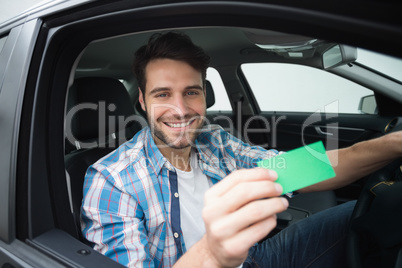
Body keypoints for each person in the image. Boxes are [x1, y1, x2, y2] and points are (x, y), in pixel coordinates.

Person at [81, 32, 402, 268]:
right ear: (142, 101)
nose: (180, 109)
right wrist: (212, 254)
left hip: (255, 259)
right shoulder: (112, 181)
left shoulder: (213, 140)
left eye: (190, 92)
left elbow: (300, 169)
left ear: (205, 95)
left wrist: (393, 143)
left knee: (380, 206)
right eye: (162, 94)